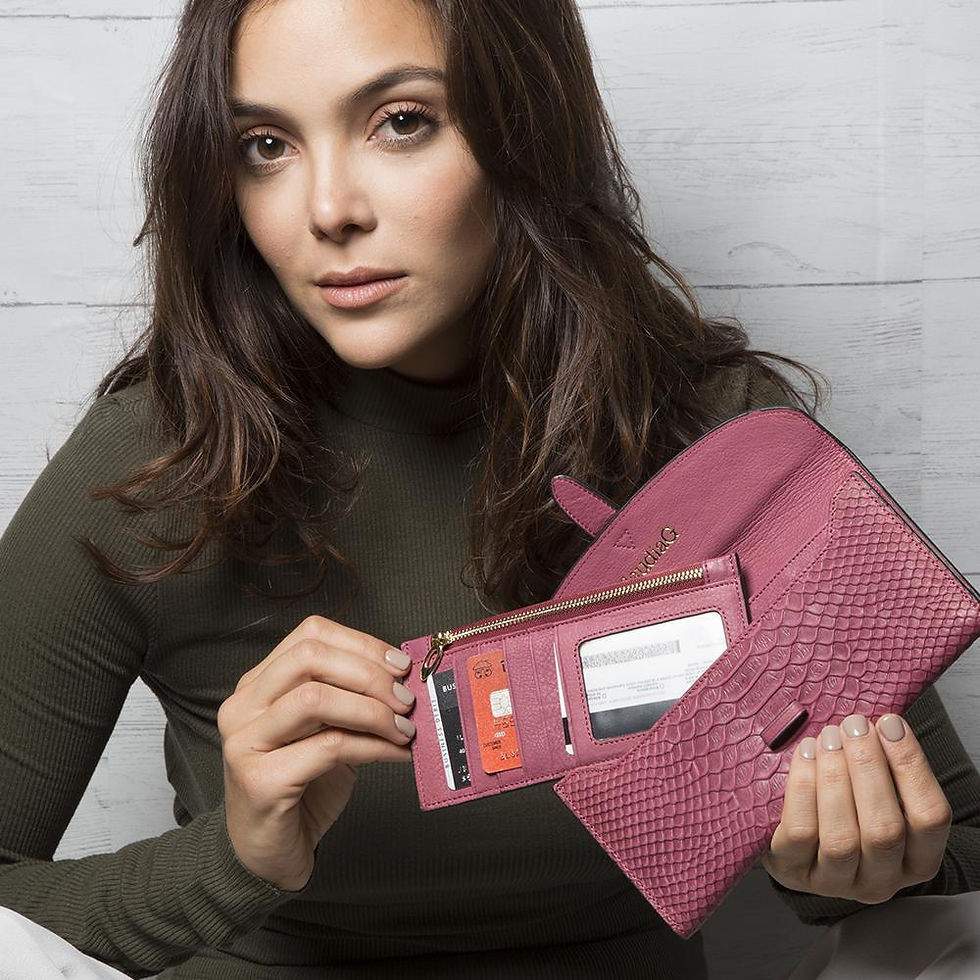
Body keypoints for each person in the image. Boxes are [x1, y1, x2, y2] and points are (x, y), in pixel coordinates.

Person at [1, 0, 978, 978]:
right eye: (265, 144)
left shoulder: (713, 435)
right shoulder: (154, 458)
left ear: (526, 125)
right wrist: (230, 858)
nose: (328, 209)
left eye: (401, 122)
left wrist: (848, 866)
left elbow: (955, 854)